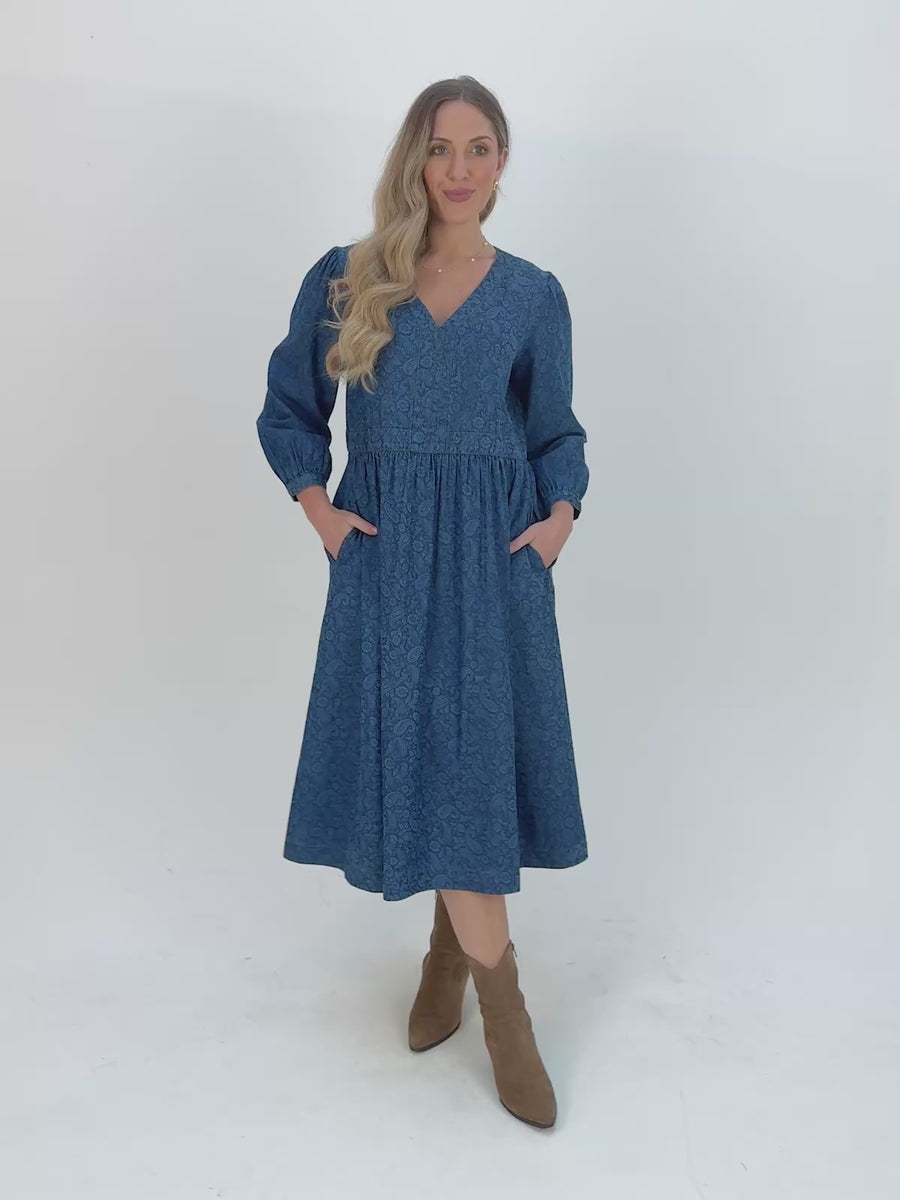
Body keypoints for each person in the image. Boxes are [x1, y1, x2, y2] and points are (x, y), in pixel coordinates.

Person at [256, 76, 589, 1130]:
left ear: (502, 162)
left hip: (495, 561)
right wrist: (319, 510)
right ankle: (496, 995)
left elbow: (555, 431)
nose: (458, 167)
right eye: (440, 147)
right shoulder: (350, 278)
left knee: (471, 761)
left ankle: (471, 977)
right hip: (390, 560)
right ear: (416, 157)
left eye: (479, 147)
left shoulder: (532, 295)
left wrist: (559, 519)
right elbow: (290, 407)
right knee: (425, 755)